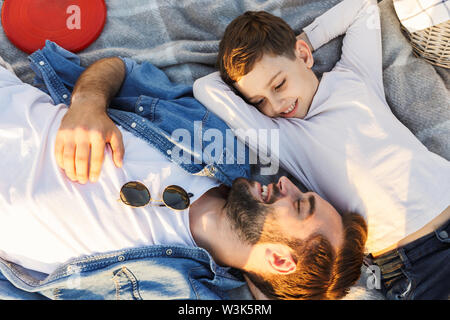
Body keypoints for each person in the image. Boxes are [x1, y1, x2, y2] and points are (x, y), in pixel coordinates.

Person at [0, 41, 367, 300]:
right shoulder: (215, 139)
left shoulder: (179, 292)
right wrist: (88, 102)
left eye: (300, 205)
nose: (286, 182)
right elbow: (122, 69)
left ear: (279, 260)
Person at [192, 0, 450, 300]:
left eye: (278, 85)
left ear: (303, 56)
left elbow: (362, 8)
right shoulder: (281, 136)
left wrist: (306, 40)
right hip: (414, 261)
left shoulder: (354, 77)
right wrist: (250, 82)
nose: (275, 106)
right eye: (258, 102)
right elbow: (206, 87)